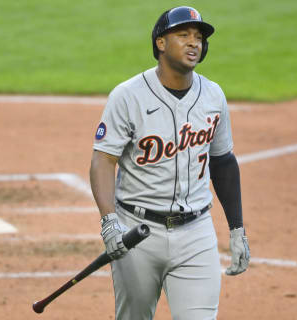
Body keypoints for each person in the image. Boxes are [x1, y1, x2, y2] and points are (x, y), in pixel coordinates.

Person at [89, 6, 250, 320]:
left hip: (196, 234)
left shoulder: (213, 96)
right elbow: (103, 161)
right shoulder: (127, 96)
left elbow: (223, 162)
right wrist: (110, 223)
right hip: (136, 233)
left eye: (199, 37)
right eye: (184, 35)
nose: (194, 43)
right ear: (160, 43)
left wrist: (236, 229)